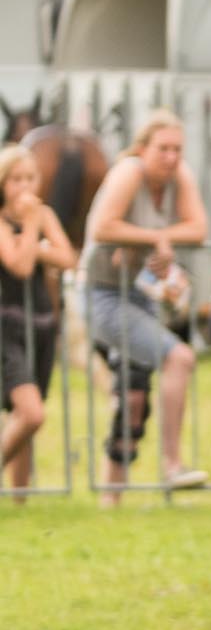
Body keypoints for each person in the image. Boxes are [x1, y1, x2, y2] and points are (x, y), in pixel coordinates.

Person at [80, 109, 211, 499]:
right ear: (143, 148)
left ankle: (111, 499)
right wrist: (155, 239)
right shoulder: (128, 172)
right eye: (163, 149)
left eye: (177, 149)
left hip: (142, 293)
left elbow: (199, 228)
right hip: (102, 293)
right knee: (180, 359)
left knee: (134, 395)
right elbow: (102, 226)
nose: (171, 157)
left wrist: (153, 239)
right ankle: (172, 466)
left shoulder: (179, 175)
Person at [0, 145, 76, 495]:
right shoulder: (4, 220)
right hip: (7, 325)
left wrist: (38, 244)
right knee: (30, 413)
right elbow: (20, 265)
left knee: (27, 421)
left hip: (42, 322)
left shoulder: (44, 214)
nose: (24, 187)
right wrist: (32, 229)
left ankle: (19, 499)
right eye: (16, 179)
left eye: (30, 178)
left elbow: (68, 257)